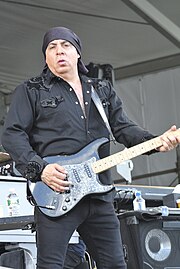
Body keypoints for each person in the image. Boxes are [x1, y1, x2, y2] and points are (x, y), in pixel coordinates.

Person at [1, 26, 180, 269]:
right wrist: (41, 169)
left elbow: (125, 129)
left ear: (77, 53)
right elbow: (12, 135)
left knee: (115, 265)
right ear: (45, 57)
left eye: (66, 46)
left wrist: (158, 142)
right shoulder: (30, 90)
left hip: (99, 194)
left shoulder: (101, 90)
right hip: (57, 191)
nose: (59, 51)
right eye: (51, 48)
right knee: (51, 265)